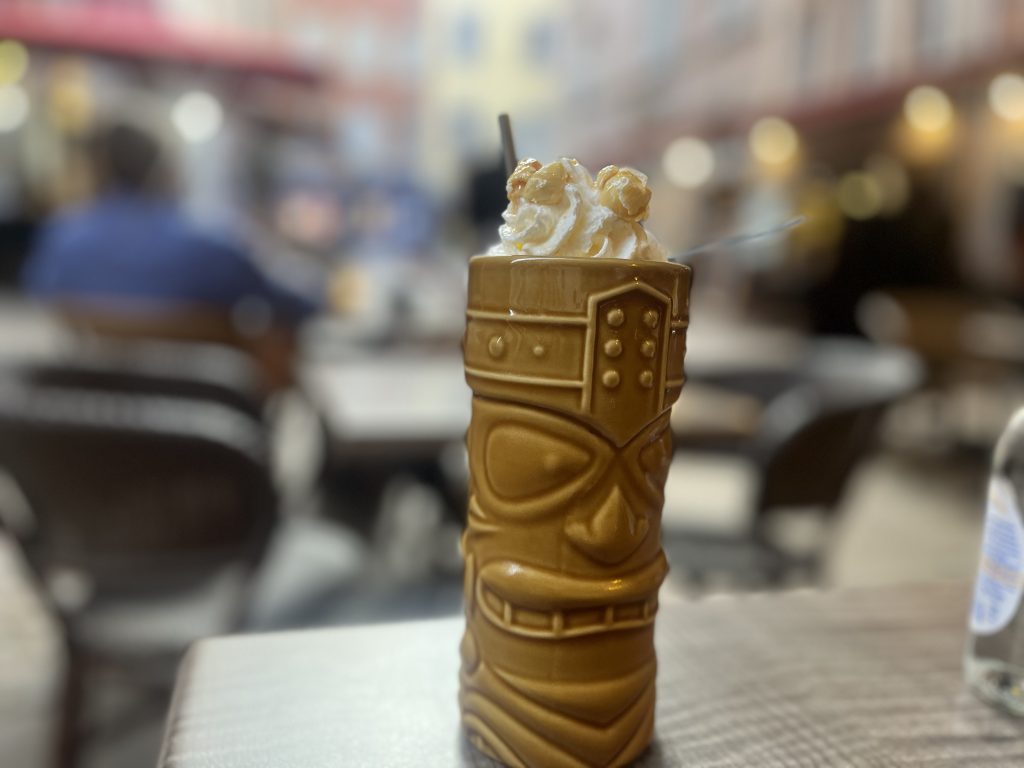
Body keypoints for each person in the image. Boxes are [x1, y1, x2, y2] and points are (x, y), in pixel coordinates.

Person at [22, 122, 320, 389]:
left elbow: (39, 290)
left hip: (99, 406)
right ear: (163, 169)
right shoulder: (210, 243)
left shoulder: (62, 236)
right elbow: (294, 304)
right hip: (212, 413)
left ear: (97, 169)